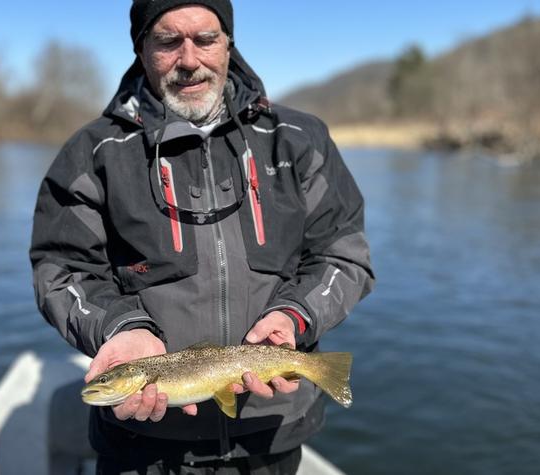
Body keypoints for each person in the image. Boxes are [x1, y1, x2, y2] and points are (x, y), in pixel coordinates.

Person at [30, 0, 374, 473]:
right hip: (142, 442)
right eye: (168, 42)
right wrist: (120, 328)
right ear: (142, 48)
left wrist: (296, 316)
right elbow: (62, 268)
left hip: (272, 432)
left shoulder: (299, 138)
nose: (189, 60)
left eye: (206, 39)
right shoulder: (93, 153)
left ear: (229, 43)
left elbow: (343, 253)